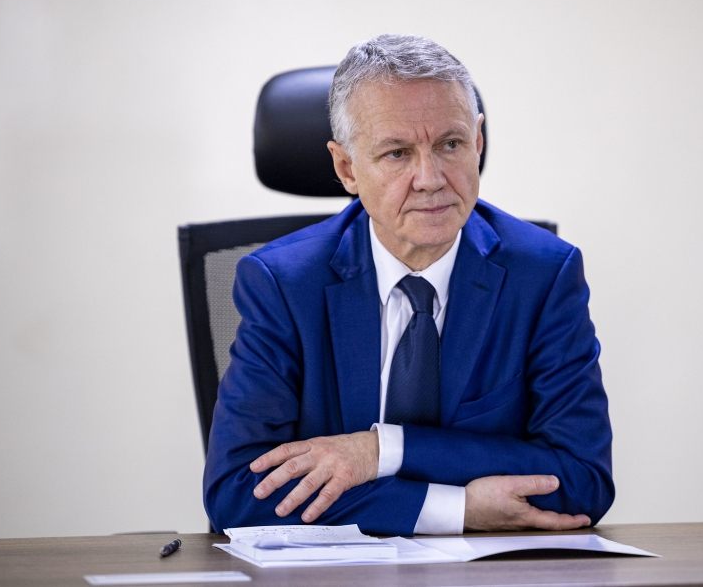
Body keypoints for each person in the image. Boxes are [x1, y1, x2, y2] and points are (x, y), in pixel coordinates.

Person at [203, 34, 614, 536]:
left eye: (450, 144)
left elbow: (583, 480)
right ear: (347, 168)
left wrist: (382, 450)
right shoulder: (284, 285)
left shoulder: (544, 276)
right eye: (397, 153)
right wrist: (455, 509)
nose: (430, 178)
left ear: (478, 143)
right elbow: (237, 493)